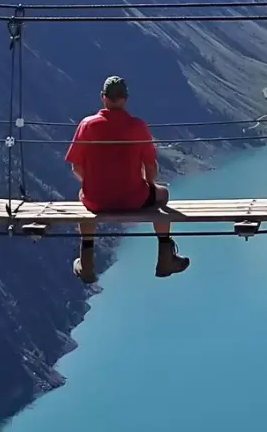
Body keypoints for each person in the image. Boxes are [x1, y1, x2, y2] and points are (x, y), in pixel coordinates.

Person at [64, 76, 191, 284]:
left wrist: (93, 185)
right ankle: (165, 258)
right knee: (162, 195)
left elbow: (75, 166)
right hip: (134, 199)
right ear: (125, 98)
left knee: (83, 195)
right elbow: (150, 167)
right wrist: (149, 185)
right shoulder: (138, 126)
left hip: (97, 200)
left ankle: (86, 263)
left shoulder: (87, 125)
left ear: (103, 97)